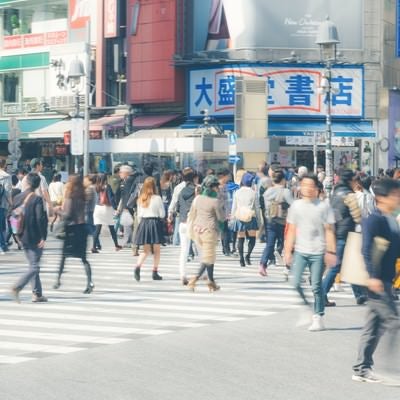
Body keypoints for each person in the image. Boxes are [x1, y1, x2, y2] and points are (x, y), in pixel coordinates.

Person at [352, 178, 400, 384]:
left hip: (386, 280)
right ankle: (390, 369)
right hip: (376, 281)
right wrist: (372, 276)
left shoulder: (390, 219)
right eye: (395, 195)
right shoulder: (374, 220)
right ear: (381, 197)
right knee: (394, 321)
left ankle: (361, 368)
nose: (397, 198)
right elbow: (366, 250)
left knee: (373, 326)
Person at [284, 174, 336, 331]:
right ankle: (307, 308)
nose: (306, 188)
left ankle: (318, 316)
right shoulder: (296, 206)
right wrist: (287, 251)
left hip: (318, 251)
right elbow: (292, 230)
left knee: (316, 285)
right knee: (295, 282)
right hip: (300, 250)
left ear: (316, 188)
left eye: (310, 185)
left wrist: (331, 251)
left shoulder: (324, 206)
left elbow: (329, 230)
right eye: (304, 184)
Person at [322, 170, 366, 306]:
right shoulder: (349, 195)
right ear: (350, 181)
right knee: (337, 267)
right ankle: (321, 294)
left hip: (336, 233)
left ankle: (360, 294)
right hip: (346, 233)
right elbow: (357, 216)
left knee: (350, 264)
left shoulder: (334, 194)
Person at [53, 175, 94, 294]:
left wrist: (57, 210)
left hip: (72, 230)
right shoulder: (82, 196)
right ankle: (90, 282)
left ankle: (58, 280)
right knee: (84, 258)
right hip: (82, 229)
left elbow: (67, 215)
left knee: (64, 256)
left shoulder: (70, 196)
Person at [11, 173, 48, 303]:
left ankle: (37, 294)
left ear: (27, 183)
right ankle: (17, 287)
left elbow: (11, 217)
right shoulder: (37, 199)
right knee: (34, 267)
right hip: (34, 236)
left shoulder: (17, 197)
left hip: (21, 235)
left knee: (33, 264)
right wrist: (43, 237)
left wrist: (16, 236)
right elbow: (40, 218)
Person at [187, 175, 224, 292]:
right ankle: (194, 279)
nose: (218, 189)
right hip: (209, 231)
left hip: (197, 230)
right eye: (217, 187)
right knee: (207, 258)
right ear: (213, 187)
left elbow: (193, 212)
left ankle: (211, 281)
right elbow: (221, 218)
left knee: (209, 256)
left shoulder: (197, 198)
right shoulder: (215, 201)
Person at [259, 169, 293, 276]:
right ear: (283, 180)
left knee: (269, 244)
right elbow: (293, 205)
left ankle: (262, 265)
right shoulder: (286, 191)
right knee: (285, 241)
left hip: (270, 220)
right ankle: (279, 252)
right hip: (282, 221)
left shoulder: (267, 192)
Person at [133, 177, 165, 282]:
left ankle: (138, 266)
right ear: (154, 186)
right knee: (157, 250)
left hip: (144, 223)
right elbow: (162, 214)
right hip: (154, 223)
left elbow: (139, 215)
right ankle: (154, 272)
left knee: (145, 250)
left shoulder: (140, 198)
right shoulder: (157, 198)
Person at [231, 172, 259, 267]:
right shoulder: (254, 193)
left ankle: (241, 259)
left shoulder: (237, 192)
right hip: (251, 216)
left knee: (240, 238)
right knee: (252, 238)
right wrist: (259, 220)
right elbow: (257, 208)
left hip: (240, 217)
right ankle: (248, 255)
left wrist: (232, 218)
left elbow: (234, 207)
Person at [176, 168, 196, 285]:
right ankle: (204, 273)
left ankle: (182, 275)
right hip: (194, 223)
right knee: (201, 248)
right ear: (194, 177)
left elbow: (178, 207)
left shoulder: (180, 190)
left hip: (183, 222)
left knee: (184, 250)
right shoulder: (197, 189)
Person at [92, 174, 122, 252]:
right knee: (111, 228)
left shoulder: (96, 187)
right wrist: (116, 208)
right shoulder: (107, 186)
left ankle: (94, 247)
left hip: (98, 208)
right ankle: (116, 245)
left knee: (97, 229)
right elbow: (111, 198)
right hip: (106, 209)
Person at [217, 168, 232, 256]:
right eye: (228, 176)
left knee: (224, 231)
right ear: (224, 176)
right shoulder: (219, 187)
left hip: (224, 211)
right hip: (221, 211)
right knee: (224, 231)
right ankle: (226, 249)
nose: (229, 178)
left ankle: (225, 249)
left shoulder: (224, 186)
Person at [0, 159, 12, 253]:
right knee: (2, 226)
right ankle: (3, 245)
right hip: (2, 204)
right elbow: (8, 192)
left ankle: (3, 244)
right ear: (4, 165)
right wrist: (11, 204)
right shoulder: (6, 176)